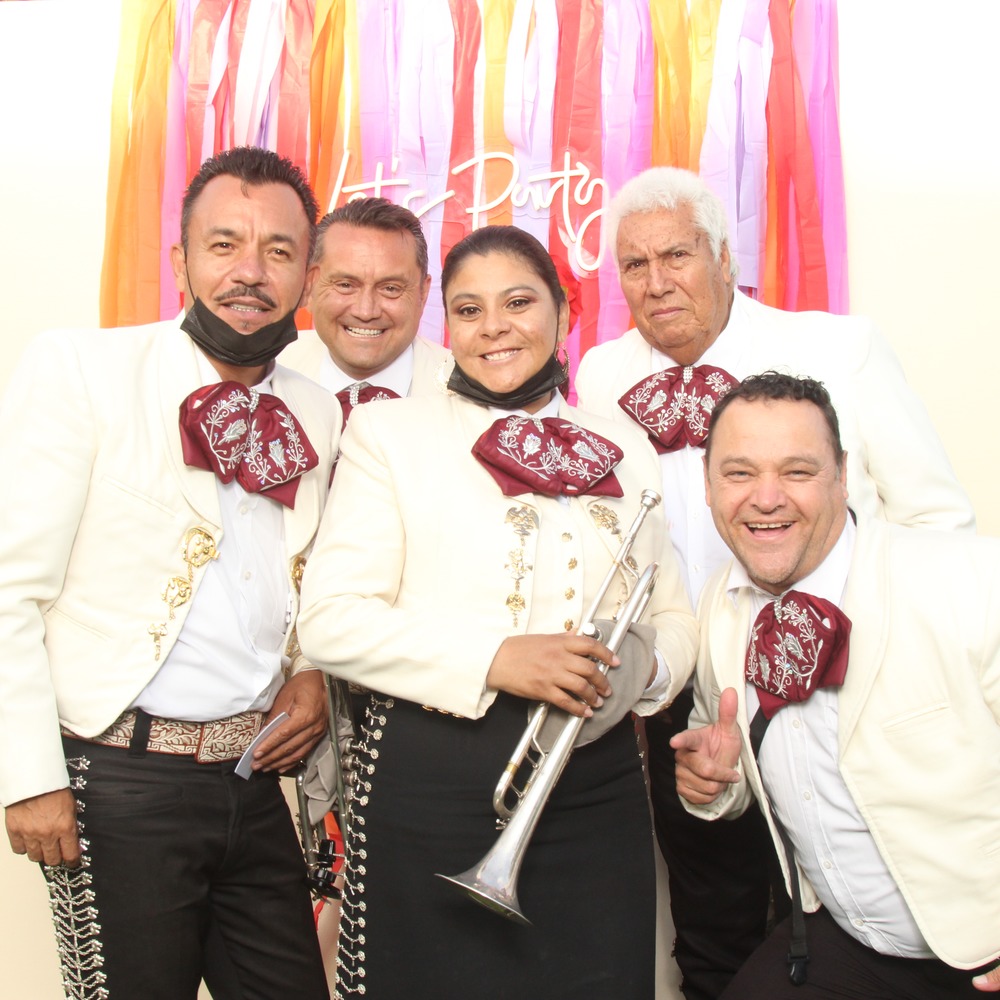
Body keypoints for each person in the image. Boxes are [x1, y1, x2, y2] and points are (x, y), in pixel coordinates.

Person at [574, 166, 976, 999]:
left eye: (677, 255)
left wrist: (920, 666)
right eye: (635, 265)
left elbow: (937, 520)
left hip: (856, 674)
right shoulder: (604, 377)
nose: (656, 282)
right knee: (713, 923)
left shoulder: (837, 348)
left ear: (726, 257)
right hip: (702, 682)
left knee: (889, 868)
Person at [296, 225, 699, 999]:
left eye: (518, 302)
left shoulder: (625, 444)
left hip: (598, 786)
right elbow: (331, 620)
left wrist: (645, 669)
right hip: (434, 781)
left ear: (563, 312)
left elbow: (676, 616)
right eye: (469, 310)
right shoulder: (391, 434)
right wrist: (497, 657)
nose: (494, 327)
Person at [0, 147, 340, 1000]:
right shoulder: (83, 369)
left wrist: (311, 670)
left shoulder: (315, 410)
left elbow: (312, 576)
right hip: (115, 781)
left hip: (252, 780)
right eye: (224, 245)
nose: (249, 272)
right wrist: (30, 777)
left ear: (306, 276)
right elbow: (9, 587)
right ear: (181, 261)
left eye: (278, 251)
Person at [671, 371, 1000, 999]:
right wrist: (712, 784)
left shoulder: (972, 580)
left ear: (843, 476)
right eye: (739, 473)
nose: (767, 498)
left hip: (982, 953)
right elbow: (726, 757)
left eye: (797, 471)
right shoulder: (721, 605)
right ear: (708, 486)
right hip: (844, 941)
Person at [279, 197, 449, 414]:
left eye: (390, 288)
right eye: (345, 285)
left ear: (422, 294)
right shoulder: (264, 373)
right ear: (309, 285)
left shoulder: (469, 397)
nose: (366, 311)